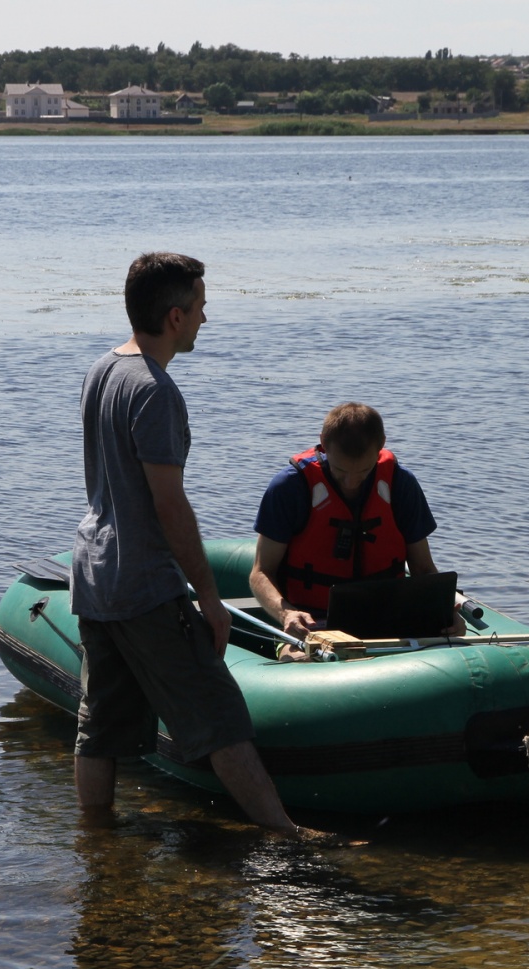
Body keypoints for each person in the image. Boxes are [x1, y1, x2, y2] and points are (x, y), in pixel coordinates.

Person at [69, 251, 314, 838]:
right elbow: (168, 502)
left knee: (99, 722)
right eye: (201, 307)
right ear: (175, 317)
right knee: (218, 712)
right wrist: (206, 593)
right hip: (143, 582)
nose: (207, 318)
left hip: (95, 570)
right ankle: (285, 835)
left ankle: (95, 839)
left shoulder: (103, 368)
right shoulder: (155, 391)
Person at [249, 402, 459, 655]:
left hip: (391, 619)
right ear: (323, 443)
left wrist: (444, 615)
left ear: (382, 444)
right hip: (313, 623)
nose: (351, 482)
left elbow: (423, 568)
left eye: (364, 471)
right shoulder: (289, 487)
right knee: (296, 657)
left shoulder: (400, 484)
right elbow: (261, 572)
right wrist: (287, 613)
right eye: (340, 470)